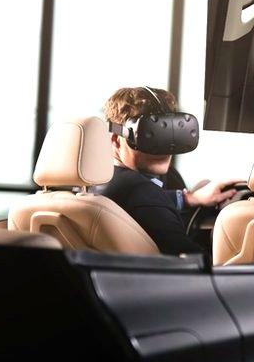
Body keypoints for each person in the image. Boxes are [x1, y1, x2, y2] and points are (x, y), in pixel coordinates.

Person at [97, 87, 240, 255]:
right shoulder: (142, 192)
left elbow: (142, 202)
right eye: (151, 135)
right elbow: (193, 263)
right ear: (116, 139)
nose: (166, 147)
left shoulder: (95, 184)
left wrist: (187, 198)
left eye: (172, 134)